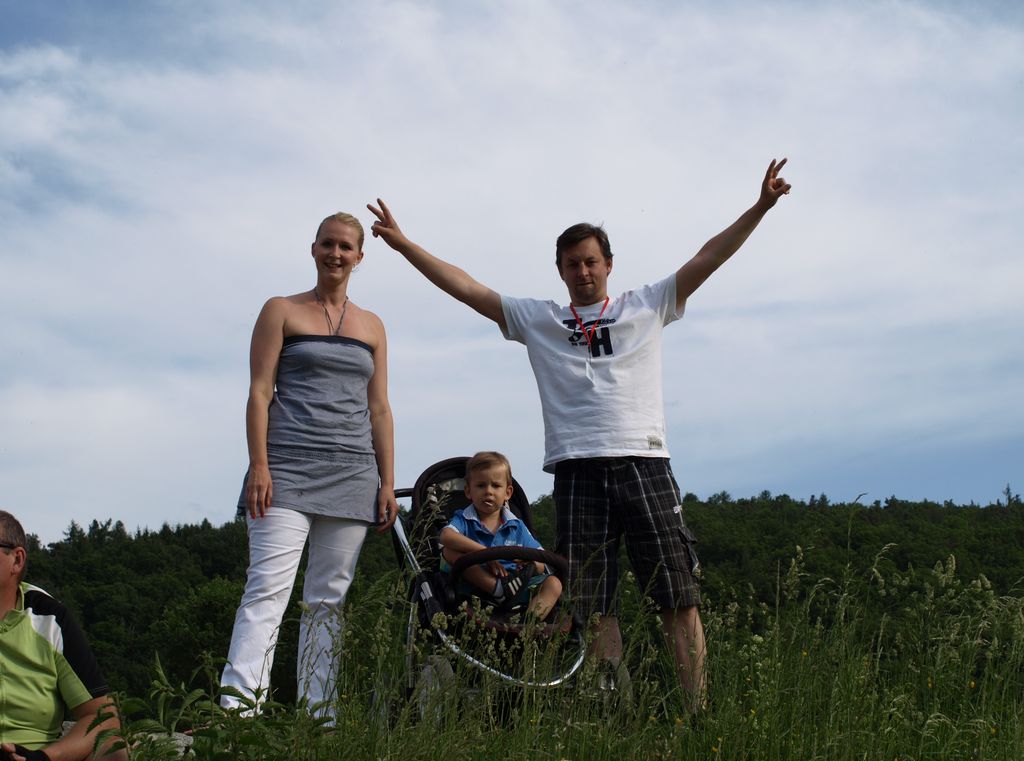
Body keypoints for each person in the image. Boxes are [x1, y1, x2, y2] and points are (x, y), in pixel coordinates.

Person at [367, 159, 791, 712]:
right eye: (572, 264)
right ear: (561, 271)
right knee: (593, 605)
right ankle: (613, 713)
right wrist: (405, 245)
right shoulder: (538, 319)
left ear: (608, 264)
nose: (583, 271)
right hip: (576, 469)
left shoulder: (648, 304)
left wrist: (760, 207)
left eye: (591, 261)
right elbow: (467, 288)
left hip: (644, 463)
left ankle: (698, 716)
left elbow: (707, 258)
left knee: (677, 596)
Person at [220, 212, 399, 721]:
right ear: (314, 248)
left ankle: (320, 720)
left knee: (328, 602)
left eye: (345, 247)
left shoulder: (373, 325)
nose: (335, 254)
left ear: (360, 257)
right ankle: (237, 716)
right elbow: (259, 392)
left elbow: (379, 408)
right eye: (328, 244)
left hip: (353, 474)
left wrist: (387, 482)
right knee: (267, 591)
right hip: (285, 469)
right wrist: (259, 465)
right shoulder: (280, 310)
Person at [0, 510, 126, 761]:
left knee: (114, 752)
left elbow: (102, 718)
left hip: (32, 759)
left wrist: (43, 760)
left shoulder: (49, 618)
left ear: (17, 559)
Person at [439, 451, 562, 620]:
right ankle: (497, 589)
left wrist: (527, 562)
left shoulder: (516, 525)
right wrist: (485, 554)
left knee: (554, 583)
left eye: (496, 486)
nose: (488, 491)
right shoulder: (464, 519)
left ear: (508, 493)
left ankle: (528, 626)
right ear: (468, 491)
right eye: (481, 486)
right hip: (476, 587)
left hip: (516, 584)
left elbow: (541, 561)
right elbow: (446, 536)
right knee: (449, 551)